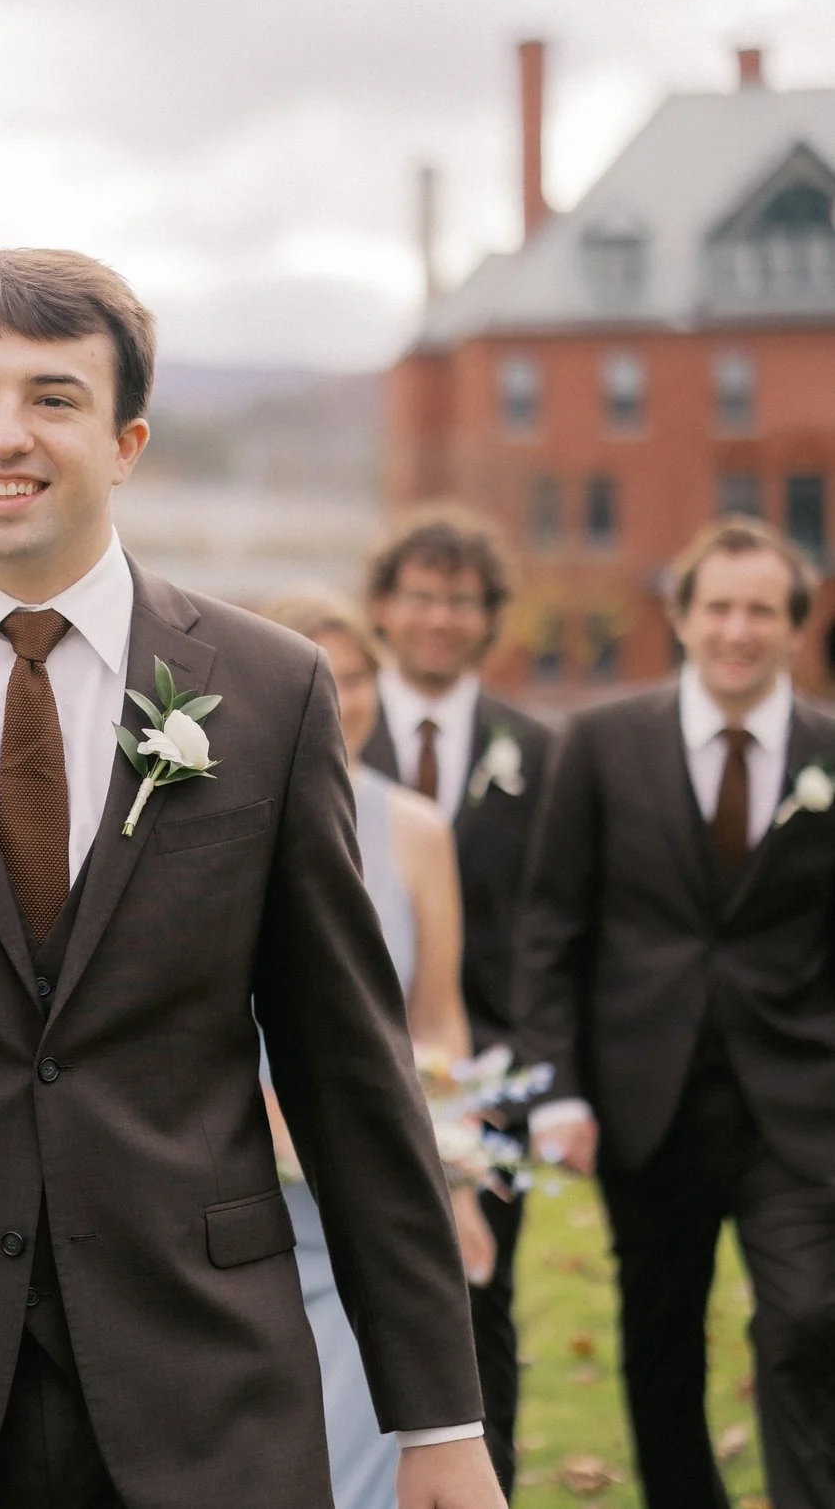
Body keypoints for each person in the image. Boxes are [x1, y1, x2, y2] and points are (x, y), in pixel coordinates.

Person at [0, 248, 501, 1509]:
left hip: (201, 1378)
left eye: (51, 398)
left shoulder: (270, 689)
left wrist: (437, 1419)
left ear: (126, 440)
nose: (3, 434)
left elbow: (348, 1072)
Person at [516, 515, 835, 1509]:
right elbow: (550, 926)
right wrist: (557, 1088)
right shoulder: (602, 742)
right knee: (657, 1341)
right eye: (718, 607)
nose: (737, 628)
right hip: (642, 1099)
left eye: (760, 610)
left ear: (795, 624)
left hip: (800, 1104)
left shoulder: (829, 750)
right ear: (682, 616)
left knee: (808, 1320)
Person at [262, 589, 495, 1509]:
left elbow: (436, 1023)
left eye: (355, 676)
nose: (339, 695)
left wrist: (458, 1172)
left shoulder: (416, 830)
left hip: (371, 1190)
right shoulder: (216, 818)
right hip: (246, 1184)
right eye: (317, 672)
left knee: (373, 1441)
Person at [364, 508, 555, 1495]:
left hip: (491, 1077)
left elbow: (557, 926)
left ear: (490, 618)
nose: (440, 616)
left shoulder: (541, 751)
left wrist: (517, 1079)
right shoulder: (325, 728)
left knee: (480, 1310)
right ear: (384, 609)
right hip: (348, 1076)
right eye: (420, 595)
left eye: (461, 599)